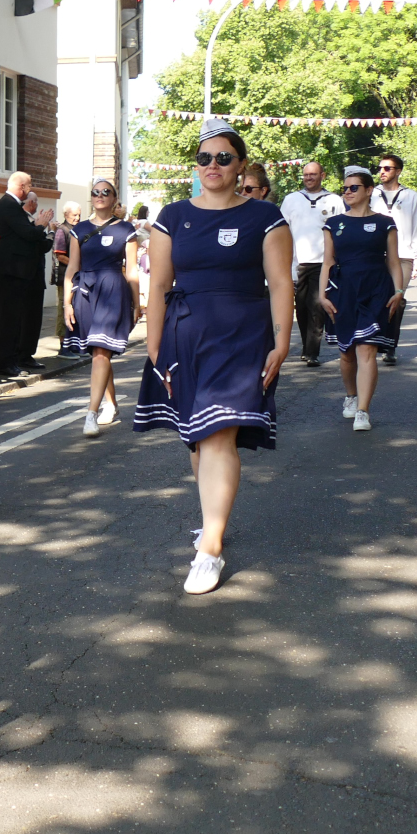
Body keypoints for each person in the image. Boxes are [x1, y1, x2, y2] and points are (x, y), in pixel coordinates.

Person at [133, 119, 293, 596]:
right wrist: (154, 346)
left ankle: (210, 548)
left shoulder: (265, 217)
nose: (213, 165)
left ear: (240, 165)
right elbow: (159, 286)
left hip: (242, 335)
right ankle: (211, 521)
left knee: (220, 433)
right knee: (198, 439)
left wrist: (282, 341)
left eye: (224, 158)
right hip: (185, 335)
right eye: (205, 158)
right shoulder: (173, 215)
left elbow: (280, 283)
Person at [319, 166, 404, 432]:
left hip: (376, 289)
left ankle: (363, 411)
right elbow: (327, 262)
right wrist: (322, 295)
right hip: (343, 290)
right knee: (346, 353)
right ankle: (351, 395)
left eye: (353, 187)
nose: (347, 192)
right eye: (345, 188)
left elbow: (393, 261)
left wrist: (399, 292)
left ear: (369, 190)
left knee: (366, 349)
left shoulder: (385, 223)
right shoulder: (333, 223)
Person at [60, 178, 140, 438]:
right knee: (99, 351)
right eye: (95, 192)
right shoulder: (80, 229)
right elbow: (72, 268)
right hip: (86, 292)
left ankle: (91, 413)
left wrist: (137, 304)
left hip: (113, 291)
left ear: (114, 198)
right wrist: (67, 304)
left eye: (106, 192)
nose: (100, 195)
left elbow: (132, 270)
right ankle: (111, 403)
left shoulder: (126, 229)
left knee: (101, 352)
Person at [0, 171, 57, 377]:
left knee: (15, 319)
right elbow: (29, 234)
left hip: (15, 272)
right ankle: (5, 364)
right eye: (29, 185)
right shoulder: (9, 205)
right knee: (9, 320)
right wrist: (42, 225)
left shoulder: (12, 206)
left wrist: (38, 227)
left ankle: (12, 361)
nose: (29, 189)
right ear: (21, 187)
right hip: (9, 271)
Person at [280, 162, 344, 367]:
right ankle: (307, 346)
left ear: (322, 176)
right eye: (306, 174)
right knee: (301, 307)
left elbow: (341, 229)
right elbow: (282, 231)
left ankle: (312, 352)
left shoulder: (334, 200)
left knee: (317, 306)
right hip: (297, 262)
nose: (309, 178)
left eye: (313, 174)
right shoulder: (291, 199)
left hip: (323, 263)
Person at [370, 153, 417, 366]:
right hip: (376, 255)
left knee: (396, 299)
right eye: (380, 168)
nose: (382, 172)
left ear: (398, 171)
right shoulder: (372, 193)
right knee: (375, 299)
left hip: (403, 255)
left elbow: (416, 226)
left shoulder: (411, 196)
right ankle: (373, 340)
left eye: (387, 168)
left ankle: (390, 344)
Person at [50, 200, 86, 350]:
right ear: (66, 214)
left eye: (79, 215)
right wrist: (76, 264)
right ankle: (63, 344)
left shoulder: (79, 229)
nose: (77, 218)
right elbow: (59, 255)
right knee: (64, 308)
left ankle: (74, 343)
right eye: (74, 215)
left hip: (79, 275)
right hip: (65, 276)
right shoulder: (62, 230)